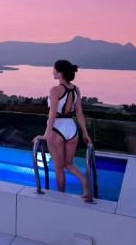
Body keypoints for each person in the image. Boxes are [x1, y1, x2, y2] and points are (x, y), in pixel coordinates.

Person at [34, 59, 93, 201]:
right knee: (69, 163)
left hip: (57, 129)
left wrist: (45, 134)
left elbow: (53, 113)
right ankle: (85, 182)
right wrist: (85, 132)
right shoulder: (76, 89)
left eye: (54, 69)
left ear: (60, 73)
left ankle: (60, 198)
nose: (52, 71)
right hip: (72, 129)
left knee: (59, 168)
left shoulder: (55, 90)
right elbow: (79, 113)